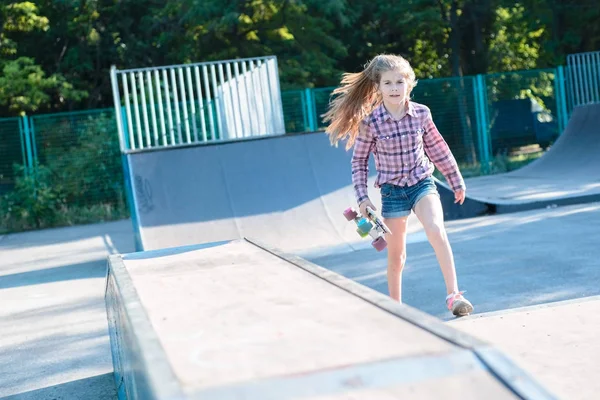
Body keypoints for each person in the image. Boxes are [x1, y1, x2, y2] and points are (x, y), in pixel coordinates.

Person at [322, 54, 474, 317]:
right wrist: (363, 198)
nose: (394, 88)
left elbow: (438, 147)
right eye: (388, 83)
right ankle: (396, 309)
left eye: (399, 82)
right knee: (397, 255)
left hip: (421, 183)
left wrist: (455, 178)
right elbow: (358, 161)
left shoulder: (421, 114)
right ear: (378, 87)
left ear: (409, 84)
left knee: (436, 229)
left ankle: (454, 295)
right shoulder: (371, 122)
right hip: (392, 192)